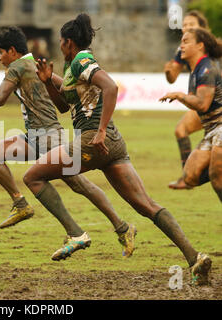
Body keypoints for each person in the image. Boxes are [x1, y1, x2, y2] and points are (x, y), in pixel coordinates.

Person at [28, 13, 211, 285]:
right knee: (146, 205)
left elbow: (111, 86)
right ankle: (194, 258)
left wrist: (100, 131)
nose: (60, 46)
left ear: (68, 42)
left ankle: (75, 232)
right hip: (111, 144)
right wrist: (46, 81)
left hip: (93, 140)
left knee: (32, 177)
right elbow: (65, 107)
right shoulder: (72, 67)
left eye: (61, 42)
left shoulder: (81, 60)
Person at [0, 27, 137, 258]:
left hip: (47, 138)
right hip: (38, 136)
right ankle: (22, 205)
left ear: (12, 51)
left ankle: (99, 230)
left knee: (80, 184)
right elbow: (63, 88)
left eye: (1, 52)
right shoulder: (34, 65)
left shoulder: (17, 66)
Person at [160, 28, 222, 203]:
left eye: (186, 42)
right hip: (212, 130)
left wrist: (180, 95)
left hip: (221, 128)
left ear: (200, 46)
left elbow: (202, 104)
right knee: (190, 177)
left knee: (217, 178)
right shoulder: (196, 71)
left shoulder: (207, 69)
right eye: (181, 42)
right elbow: (198, 105)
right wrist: (182, 97)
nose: (181, 46)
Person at [164, 11, 210, 189]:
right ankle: (188, 177)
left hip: (211, 101)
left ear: (202, 28)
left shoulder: (211, 45)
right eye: (185, 25)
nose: (187, 27)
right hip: (202, 101)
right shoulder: (184, 47)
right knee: (181, 130)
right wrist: (168, 71)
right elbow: (172, 76)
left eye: (192, 24)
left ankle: (191, 177)